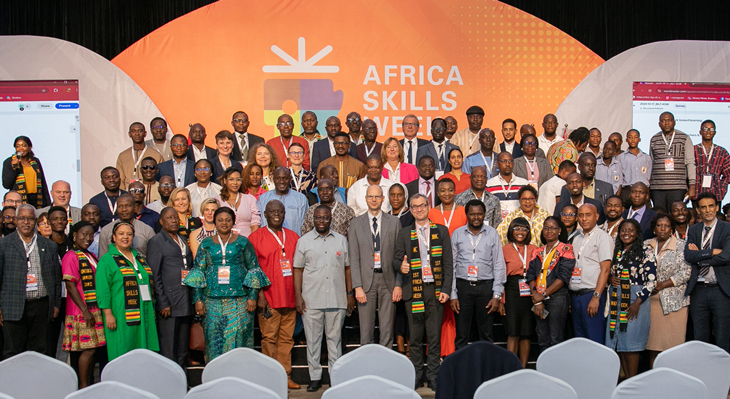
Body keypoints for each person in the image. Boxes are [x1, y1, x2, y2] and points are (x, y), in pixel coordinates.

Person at [184, 207, 270, 360]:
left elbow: (254, 269)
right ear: (214, 222)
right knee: (214, 338)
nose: (224, 223)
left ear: (233, 222)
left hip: (240, 300)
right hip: (212, 300)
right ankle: (216, 378)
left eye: (228, 220)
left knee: (240, 339)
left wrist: (252, 296)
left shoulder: (243, 242)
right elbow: (199, 271)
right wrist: (198, 299)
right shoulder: (206, 244)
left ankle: (240, 377)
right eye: (220, 220)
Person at [394, 194, 453, 391]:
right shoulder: (404, 233)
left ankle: (434, 376)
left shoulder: (441, 231)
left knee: (434, 337)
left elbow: (448, 264)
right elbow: (395, 260)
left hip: (435, 292)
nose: (419, 209)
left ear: (428, 207)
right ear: (410, 210)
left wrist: (446, 289)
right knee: (416, 338)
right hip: (413, 291)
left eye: (422, 206)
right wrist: (400, 266)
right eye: (414, 207)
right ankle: (417, 376)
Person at [294, 205, 354, 392]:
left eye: (325, 218)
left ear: (331, 219)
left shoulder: (341, 240)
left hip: (336, 299)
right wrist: (298, 296)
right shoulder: (303, 241)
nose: (321, 221)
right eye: (318, 217)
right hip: (311, 299)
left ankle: (334, 377)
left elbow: (347, 268)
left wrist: (349, 294)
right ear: (313, 219)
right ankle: (315, 377)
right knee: (312, 341)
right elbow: (297, 270)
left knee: (334, 342)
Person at [249, 200, 300, 389]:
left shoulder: (294, 237)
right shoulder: (255, 238)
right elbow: (253, 270)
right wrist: (259, 294)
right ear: (265, 214)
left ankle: (285, 376)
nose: (276, 214)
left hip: (290, 297)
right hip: (268, 298)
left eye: (280, 211)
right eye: (272, 211)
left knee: (287, 339)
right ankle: (270, 379)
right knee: (269, 339)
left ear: (285, 214)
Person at [0, 204, 61, 358]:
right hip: (13, 306)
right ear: (15, 220)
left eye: (29, 219)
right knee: (13, 352)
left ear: (35, 221)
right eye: (21, 218)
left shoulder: (49, 245)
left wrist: (55, 304)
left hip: (41, 306)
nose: (25, 222)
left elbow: (55, 278)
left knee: (39, 352)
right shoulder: (4, 245)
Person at [96, 222, 159, 360]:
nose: (125, 237)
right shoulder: (107, 260)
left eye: (129, 234)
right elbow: (103, 290)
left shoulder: (139, 259)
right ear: (113, 237)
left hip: (144, 311)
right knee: (123, 349)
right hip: (120, 315)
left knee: (143, 350)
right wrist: (108, 314)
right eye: (121, 234)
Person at [349, 185, 401, 349]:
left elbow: (400, 256)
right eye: (370, 196)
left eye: (377, 196)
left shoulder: (394, 222)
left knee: (387, 330)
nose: (373, 200)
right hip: (365, 282)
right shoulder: (356, 224)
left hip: (388, 282)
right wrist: (357, 286)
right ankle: (367, 367)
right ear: (365, 199)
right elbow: (353, 257)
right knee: (366, 331)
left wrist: (399, 284)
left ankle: (385, 368)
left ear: (383, 199)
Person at [605, 219, 656, 378]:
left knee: (631, 345)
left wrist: (637, 302)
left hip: (635, 300)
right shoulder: (617, 250)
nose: (626, 234)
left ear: (637, 233)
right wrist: (610, 279)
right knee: (619, 344)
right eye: (623, 231)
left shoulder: (645, 250)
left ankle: (632, 382)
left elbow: (652, 281)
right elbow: (611, 273)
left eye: (630, 230)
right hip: (616, 299)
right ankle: (626, 381)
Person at [145, 208, 193, 368]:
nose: (173, 220)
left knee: (182, 348)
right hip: (169, 304)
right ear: (161, 221)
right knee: (169, 348)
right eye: (169, 218)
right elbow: (154, 274)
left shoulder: (182, 239)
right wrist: (162, 302)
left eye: (175, 217)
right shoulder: (157, 241)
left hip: (185, 300)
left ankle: (182, 382)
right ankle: (169, 386)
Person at [684, 192, 730, 352]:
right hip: (698, 290)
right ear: (698, 210)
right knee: (699, 337)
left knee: (722, 337)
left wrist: (700, 255)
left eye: (711, 206)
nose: (708, 210)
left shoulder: (727, 229)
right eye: (703, 207)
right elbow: (688, 255)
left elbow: (726, 256)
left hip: (721, 290)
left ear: (717, 207)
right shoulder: (694, 230)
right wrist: (712, 252)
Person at [61, 221, 104, 388]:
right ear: (74, 235)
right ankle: (83, 386)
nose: (88, 238)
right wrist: (85, 310)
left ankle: (87, 384)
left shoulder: (90, 255)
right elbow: (70, 285)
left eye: (90, 235)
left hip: (94, 309)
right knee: (88, 349)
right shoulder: (71, 256)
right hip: (80, 311)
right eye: (83, 234)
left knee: (92, 349)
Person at [646, 212, 691, 366]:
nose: (663, 229)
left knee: (671, 346)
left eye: (666, 226)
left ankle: (672, 381)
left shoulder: (681, 246)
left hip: (674, 303)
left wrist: (662, 285)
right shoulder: (646, 244)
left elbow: (686, 272)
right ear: (654, 228)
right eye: (659, 225)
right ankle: (654, 378)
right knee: (652, 345)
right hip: (649, 302)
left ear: (672, 229)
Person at [527, 217, 574, 350]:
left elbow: (563, 277)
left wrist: (542, 295)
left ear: (559, 230)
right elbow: (530, 275)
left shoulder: (566, 249)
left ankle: (556, 370)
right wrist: (536, 298)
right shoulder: (537, 251)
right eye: (546, 227)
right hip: (538, 299)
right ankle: (543, 369)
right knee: (542, 337)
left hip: (557, 298)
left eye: (553, 228)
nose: (549, 231)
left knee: (555, 337)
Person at [569, 204, 613, 344]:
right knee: (580, 339)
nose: (584, 219)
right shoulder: (575, 237)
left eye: (588, 215)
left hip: (592, 294)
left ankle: (598, 366)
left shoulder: (603, 237)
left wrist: (596, 297)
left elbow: (605, 270)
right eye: (581, 215)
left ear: (597, 217)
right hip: (575, 295)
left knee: (594, 339)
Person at [500, 217, 537, 367]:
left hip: (530, 290)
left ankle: (522, 368)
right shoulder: (504, 250)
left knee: (526, 333)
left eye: (524, 229)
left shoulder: (535, 249)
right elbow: (500, 276)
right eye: (516, 228)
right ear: (511, 231)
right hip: (512, 290)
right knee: (513, 332)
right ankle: (511, 368)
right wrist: (501, 300)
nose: (520, 232)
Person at [649, 112, 696, 212]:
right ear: (659, 124)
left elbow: (690, 162)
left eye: (669, 120)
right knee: (659, 216)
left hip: (678, 187)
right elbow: (651, 163)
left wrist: (692, 186)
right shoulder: (654, 139)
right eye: (663, 121)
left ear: (674, 122)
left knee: (676, 216)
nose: (666, 123)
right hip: (657, 188)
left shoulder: (684, 138)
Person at [2, 136, 51, 208]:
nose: (20, 148)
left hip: (37, 199)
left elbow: (43, 183)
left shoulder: (35, 162)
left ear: (29, 147)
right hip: (20, 200)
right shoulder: (9, 162)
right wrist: (14, 168)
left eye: (24, 146)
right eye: (17, 146)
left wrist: (48, 204)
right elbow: (6, 185)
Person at [258, 167, 308, 236]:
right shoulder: (263, 198)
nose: (281, 181)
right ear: (273, 179)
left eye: (285, 178)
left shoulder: (301, 199)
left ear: (290, 179)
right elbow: (259, 224)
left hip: (293, 242)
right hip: (268, 242)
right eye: (278, 178)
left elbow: (305, 226)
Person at [116, 122, 164, 190]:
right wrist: (124, 195)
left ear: (145, 133)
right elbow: (120, 180)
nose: (137, 134)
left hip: (150, 193)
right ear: (129, 134)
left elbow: (160, 178)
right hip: (128, 194)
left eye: (140, 131)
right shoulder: (123, 156)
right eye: (133, 131)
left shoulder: (156, 155)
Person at [214, 167, 260, 237]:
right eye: (231, 179)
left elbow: (255, 222)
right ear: (225, 181)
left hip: (247, 239)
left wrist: (251, 239)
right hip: (225, 240)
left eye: (238, 179)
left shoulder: (249, 199)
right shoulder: (217, 200)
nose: (235, 183)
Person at [694, 120, 730, 203]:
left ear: (715, 132)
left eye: (711, 129)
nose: (708, 132)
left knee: (715, 216)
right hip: (697, 193)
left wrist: (722, 189)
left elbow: (727, 175)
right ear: (700, 132)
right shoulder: (693, 150)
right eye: (705, 129)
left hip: (716, 194)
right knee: (698, 216)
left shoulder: (722, 152)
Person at [487, 152, 528, 218]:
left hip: (518, 224)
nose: (507, 164)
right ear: (497, 164)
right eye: (503, 161)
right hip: (498, 225)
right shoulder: (489, 184)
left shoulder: (523, 184)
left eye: (510, 161)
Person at [618, 129, 652, 207]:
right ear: (626, 140)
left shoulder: (646, 157)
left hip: (643, 190)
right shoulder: (621, 157)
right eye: (630, 137)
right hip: (627, 190)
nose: (633, 139)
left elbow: (648, 178)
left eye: (635, 137)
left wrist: (647, 193)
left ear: (639, 139)